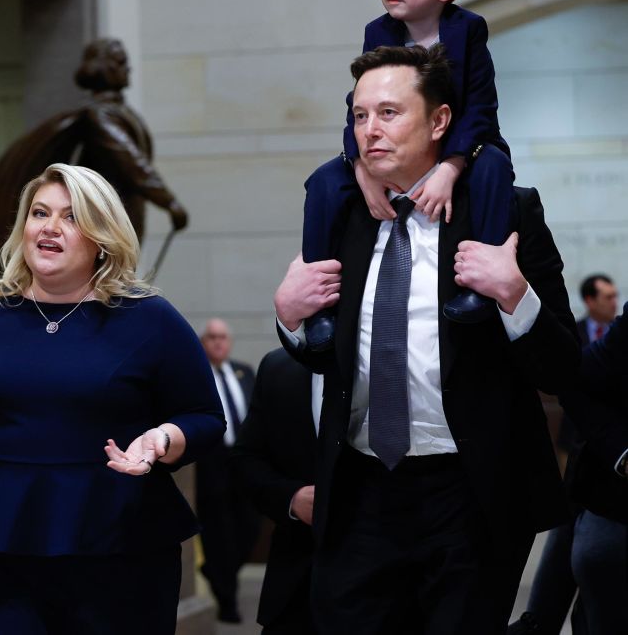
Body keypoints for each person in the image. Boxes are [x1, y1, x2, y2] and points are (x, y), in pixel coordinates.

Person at [273, 45, 579, 634]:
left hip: (470, 489)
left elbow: (564, 370)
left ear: (440, 121)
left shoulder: (506, 213)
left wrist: (516, 296)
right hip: (361, 485)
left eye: (388, 113)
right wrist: (289, 318)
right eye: (360, 116)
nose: (370, 130)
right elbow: (322, 352)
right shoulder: (341, 213)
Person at [0, 163, 224, 634]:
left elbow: (205, 417)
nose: (50, 227)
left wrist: (161, 439)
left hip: (120, 545)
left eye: (71, 217)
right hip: (3, 540)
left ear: (102, 236)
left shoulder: (150, 319)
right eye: (40, 213)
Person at [303, 0, 513, 349]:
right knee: (325, 181)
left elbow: (478, 109)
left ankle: (479, 285)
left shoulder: (467, 29)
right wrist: (361, 167)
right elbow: (358, 105)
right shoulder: (377, 32)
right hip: (392, 149)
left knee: (494, 167)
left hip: (462, 145)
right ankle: (320, 304)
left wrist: (451, 167)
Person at [0, 37, 188, 284]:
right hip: (103, 213)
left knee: (118, 276)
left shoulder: (115, 111)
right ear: (107, 68)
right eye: (121, 62)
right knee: (106, 275)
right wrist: (169, 202)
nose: (128, 69)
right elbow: (133, 164)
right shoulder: (100, 115)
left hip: (119, 208)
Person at [510, 274, 619, 633]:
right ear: (590, 300)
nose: (612, 302)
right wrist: (620, 451)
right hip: (594, 468)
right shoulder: (586, 334)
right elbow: (571, 378)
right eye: (606, 296)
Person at [230, 348, 320, 635]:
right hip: (298, 582)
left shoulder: (403, 365)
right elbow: (246, 458)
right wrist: (291, 498)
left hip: (393, 582)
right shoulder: (280, 366)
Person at [195, 318, 261, 623]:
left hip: (243, 463)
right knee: (220, 536)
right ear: (203, 342)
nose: (218, 342)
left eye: (223, 337)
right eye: (212, 337)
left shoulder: (244, 372)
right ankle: (227, 601)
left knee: (249, 531)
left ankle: (215, 572)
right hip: (211, 465)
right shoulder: (195, 375)